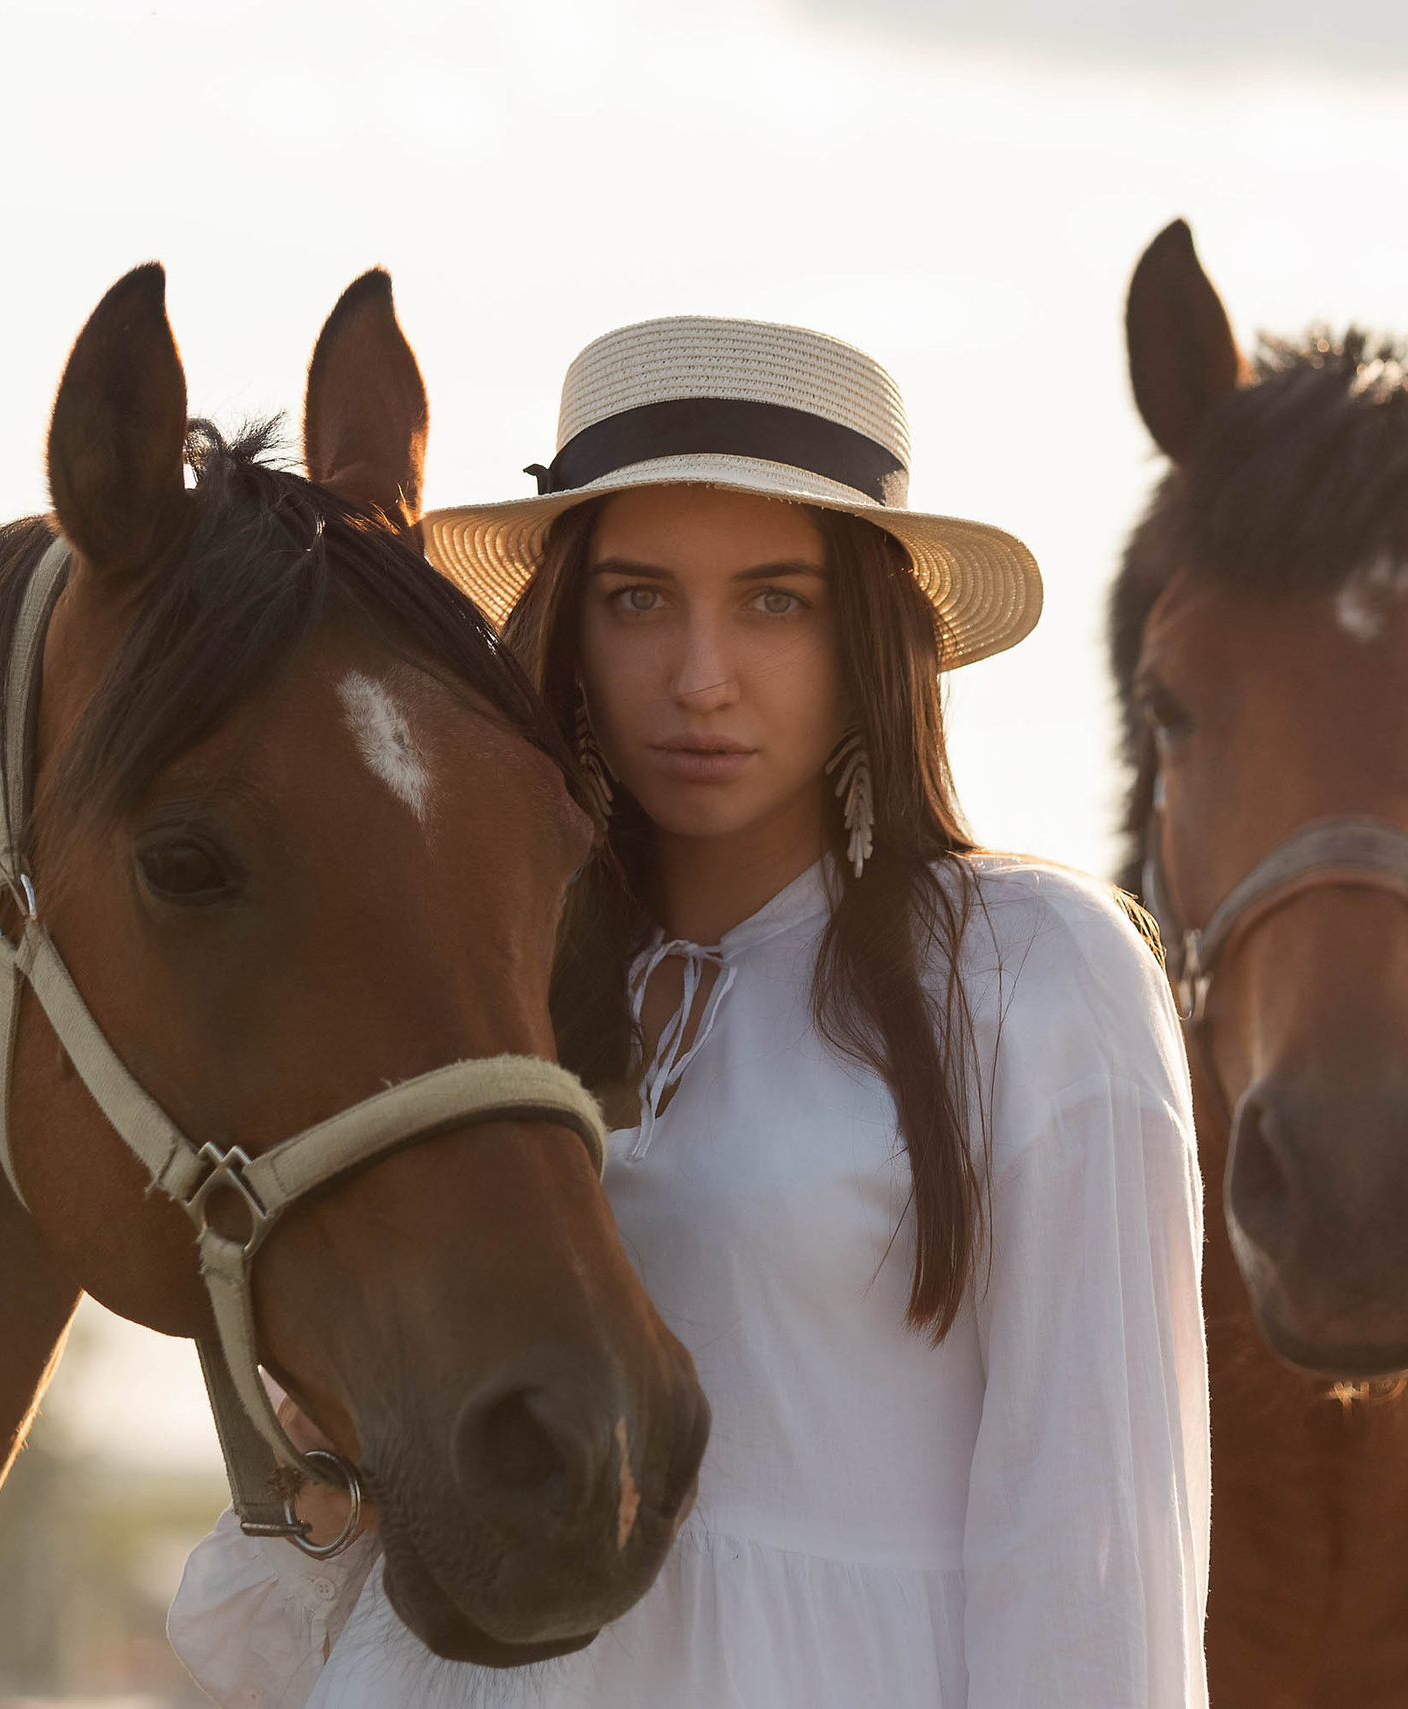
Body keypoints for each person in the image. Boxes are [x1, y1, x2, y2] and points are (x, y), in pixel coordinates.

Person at [166, 314, 1210, 1707]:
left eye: (775, 602)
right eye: (639, 599)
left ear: (870, 631)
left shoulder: (1035, 973)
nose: (700, 675)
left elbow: (1097, 1560)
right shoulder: (488, 977)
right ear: (571, 621)